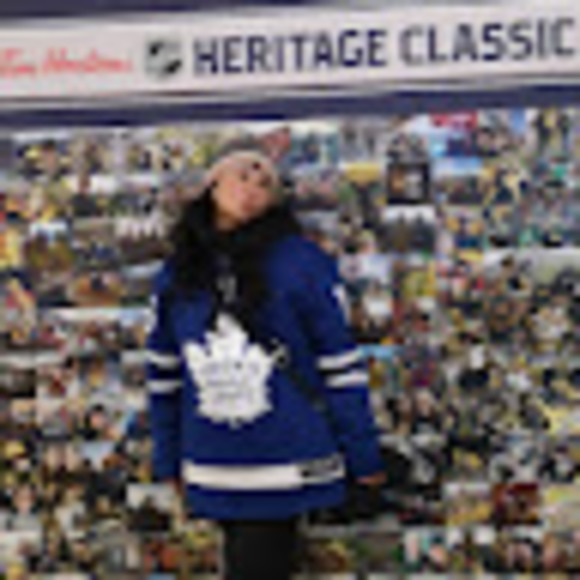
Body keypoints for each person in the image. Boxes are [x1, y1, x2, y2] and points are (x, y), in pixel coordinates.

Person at [145, 143, 385, 579]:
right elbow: (163, 376)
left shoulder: (302, 262)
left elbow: (340, 366)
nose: (252, 189)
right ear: (212, 183)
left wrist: (364, 456)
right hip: (212, 463)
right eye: (242, 175)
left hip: (288, 461)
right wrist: (168, 459)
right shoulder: (177, 272)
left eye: (265, 183)